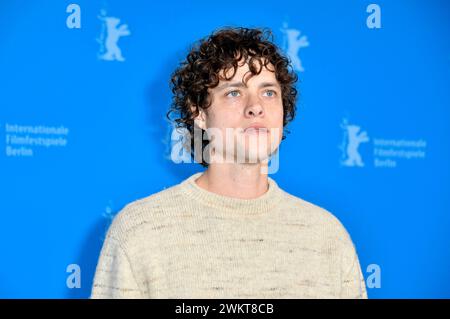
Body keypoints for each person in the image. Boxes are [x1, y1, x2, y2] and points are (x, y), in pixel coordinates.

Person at [91, 26, 367, 298]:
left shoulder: (327, 237)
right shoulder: (141, 231)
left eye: (268, 92)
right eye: (234, 92)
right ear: (199, 112)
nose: (255, 106)